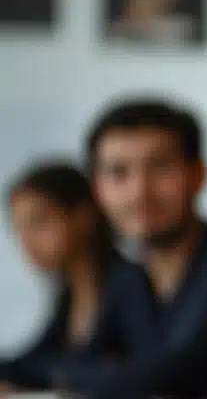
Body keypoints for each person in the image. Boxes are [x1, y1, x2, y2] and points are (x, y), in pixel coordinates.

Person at [54, 99, 207, 399]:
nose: (139, 191)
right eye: (118, 172)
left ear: (199, 175)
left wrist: (71, 374)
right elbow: (82, 361)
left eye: (161, 168)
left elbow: (174, 372)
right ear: (98, 189)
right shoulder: (128, 274)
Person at [0, 161, 120, 392]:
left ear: (83, 216)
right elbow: (33, 362)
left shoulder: (129, 283)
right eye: (19, 229)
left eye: (38, 222)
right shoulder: (70, 293)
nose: (27, 241)